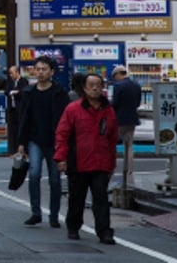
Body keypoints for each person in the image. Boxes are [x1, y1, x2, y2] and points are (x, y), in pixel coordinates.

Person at [55, 73, 119, 244]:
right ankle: (73, 226)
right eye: (91, 85)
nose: (95, 88)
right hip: (78, 161)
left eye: (98, 85)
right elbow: (62, 134)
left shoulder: (109, 110)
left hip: (101, 162)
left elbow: (112, 138)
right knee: (77, 197)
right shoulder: (73, 109)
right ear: (84, 88)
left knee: (101, 198)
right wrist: (61, 158)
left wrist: (112, 164)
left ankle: (104, 231)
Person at [16, 55, 69, 228]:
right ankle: (36, 212)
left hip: (55, 140)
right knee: (34, 174)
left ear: (52, 72)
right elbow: (23, 118)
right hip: (34, 139)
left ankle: (54, 215)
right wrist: (21, 141)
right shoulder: (28, 92)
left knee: (55, 179)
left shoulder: (59, 93)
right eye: (37, 69)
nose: (40, 72)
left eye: (44, 69)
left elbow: (65, 119)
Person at [110, 65, 142, 186]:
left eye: (115, 76)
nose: (115, 79)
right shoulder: (136, 85)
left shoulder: (118, 86)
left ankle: (111, 169)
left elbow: (115, 103)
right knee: (129, 145)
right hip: (132, 119)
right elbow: (138, 103)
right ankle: (129, 170)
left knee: (111, 145)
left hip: (119, 120)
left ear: (119, 74)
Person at [4, 64, 30, 153]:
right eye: (9, 73)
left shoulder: (23, 81)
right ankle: (13, 150)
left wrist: (15, 92)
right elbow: (7, 91)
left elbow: (22, 92)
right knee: (12, 131)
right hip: (12, 109)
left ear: (17, 72)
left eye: (12, 73)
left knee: (21, 129)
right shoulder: (10, 82)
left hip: (20, 109)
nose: (11, 75)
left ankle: (23, 150)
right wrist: (12, 92)